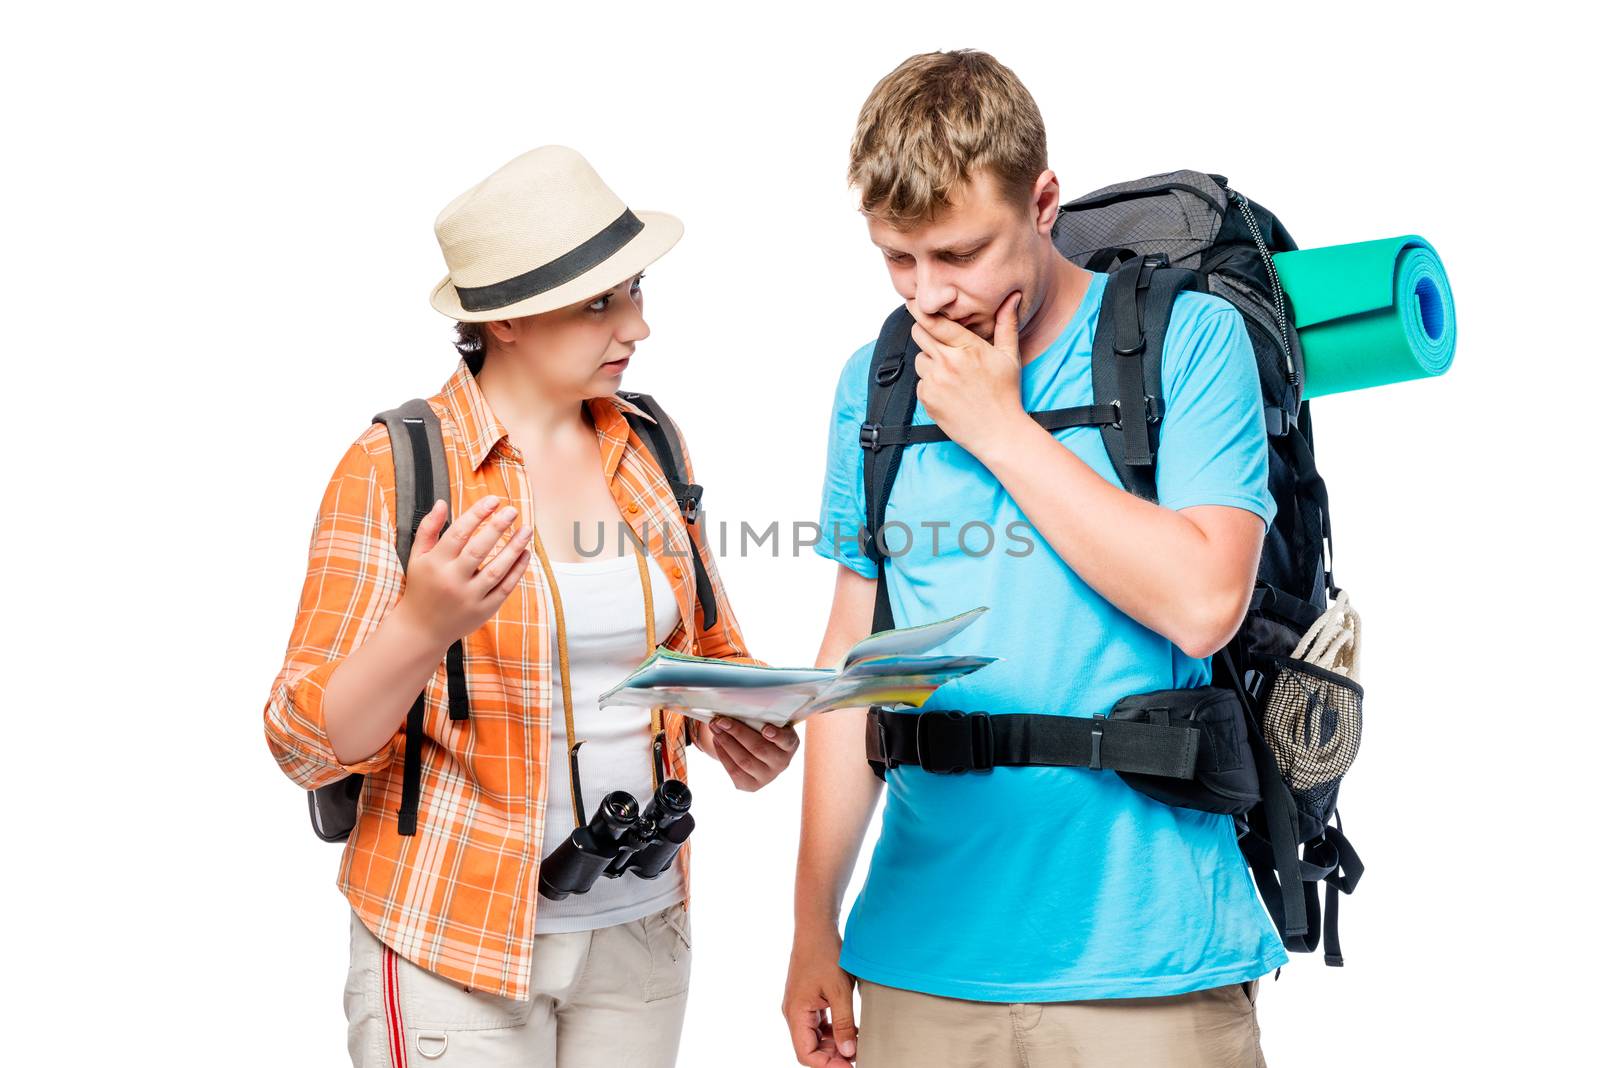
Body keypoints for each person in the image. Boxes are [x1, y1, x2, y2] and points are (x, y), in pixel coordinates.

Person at [782, 51, 1284, 1068]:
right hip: (919, 961)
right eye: (897, 259)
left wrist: (1001, 429)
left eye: (961, 254)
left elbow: (1202, 603)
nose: (929, 296)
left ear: (1042, 200)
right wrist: (809, 927)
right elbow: (853, 669)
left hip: (1149, 964)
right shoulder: (874, 383)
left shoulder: (1188, 343)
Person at [263, 145, 798, 1067]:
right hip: (452, 940)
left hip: (640, 930)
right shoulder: (395, 471)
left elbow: (707, 648)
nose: (636, 324)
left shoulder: (652, 445)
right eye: (599, 302)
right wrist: (422, 628)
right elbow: (302, 741)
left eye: (633, 289)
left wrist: (740, 724)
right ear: (503, 319)